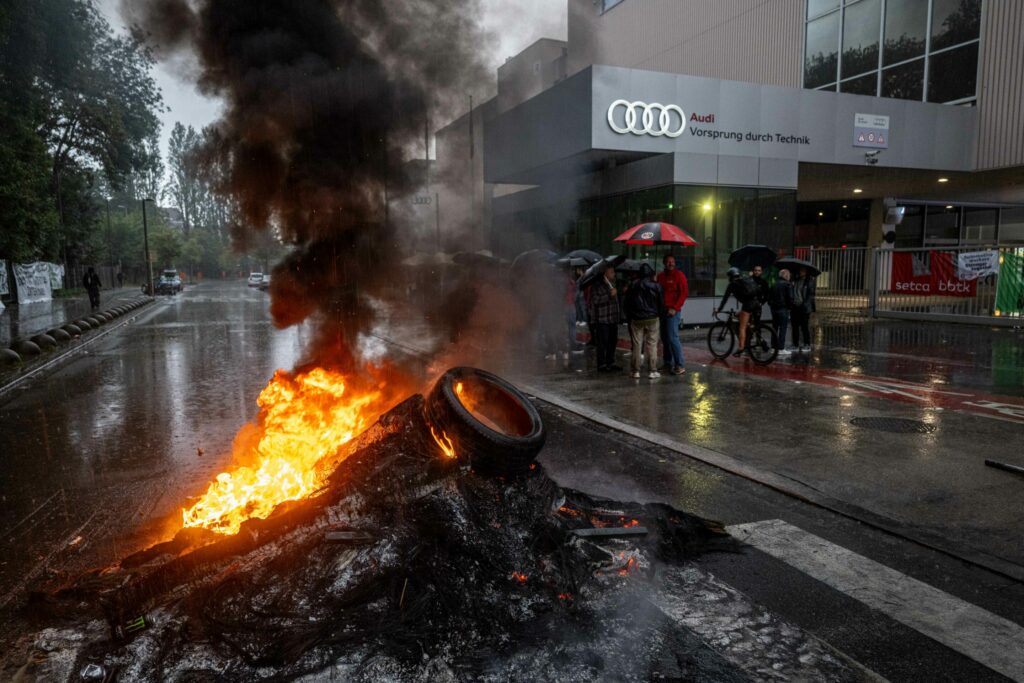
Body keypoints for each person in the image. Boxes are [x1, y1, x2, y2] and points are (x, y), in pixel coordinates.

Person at [624, 263, 663, 379]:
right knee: (652, 345)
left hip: (636, 319)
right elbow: (661, 303)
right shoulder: (656, 286)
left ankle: (635, 371)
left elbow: (627, 303)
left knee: (637, 344)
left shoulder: (632, 285)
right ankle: (652, 370)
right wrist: (659, 314)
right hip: (653, 318)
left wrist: (630, 316)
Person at [715, 267, 760, 357]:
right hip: (757, 303)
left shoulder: (732, 284)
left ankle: (741, 348)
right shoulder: (746, 279)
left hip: (748, 305)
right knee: (737, 315)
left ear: (730, 277)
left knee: (742, 328)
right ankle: (755, 337)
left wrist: (719, 309)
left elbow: (725, 299)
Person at [655, 254, 688, 375]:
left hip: (673, 312)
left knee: (672, 337)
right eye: (668, 261)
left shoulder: (679, 275)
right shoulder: (660, 276)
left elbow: (684, 293)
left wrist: (675, 308)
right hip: (662, 311)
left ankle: (680, 365)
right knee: (665, 338)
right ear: (664, 263)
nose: (671, 263)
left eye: (672, 261)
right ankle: (667, 363)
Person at [588, 264, 621, 372]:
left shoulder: (613, 283)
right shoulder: (597, 285)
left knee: (612, 341)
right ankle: (602, 364)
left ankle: (610, 362)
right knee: (602, 342)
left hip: (613, 318)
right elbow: (595, 300)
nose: (614, 274)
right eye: (611, 272)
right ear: (605, 273)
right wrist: (609, 295)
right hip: (603, 319)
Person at [769, 268, 794, 356]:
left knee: (774, 328)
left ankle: (773, 347)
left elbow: (769, 297)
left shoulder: (774, 284)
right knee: (783, 328)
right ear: (786, 275)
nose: (789, 277)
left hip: (774, 309)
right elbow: (790, 298)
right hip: (783, 309)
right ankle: (781, 348)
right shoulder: (788, 284)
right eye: (789, 275)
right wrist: (790, 307)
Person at [791, 266, 817, 352]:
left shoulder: (809, 281)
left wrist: (805, 305)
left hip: (804, 307)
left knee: (804, 326)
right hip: (795, 306)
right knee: (795, 327)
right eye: (800, 270)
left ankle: (807, 344)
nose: (800, 272)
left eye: (802, 270)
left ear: (806, 272)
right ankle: (795, 344)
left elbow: (811, 295)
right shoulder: (795, 280)